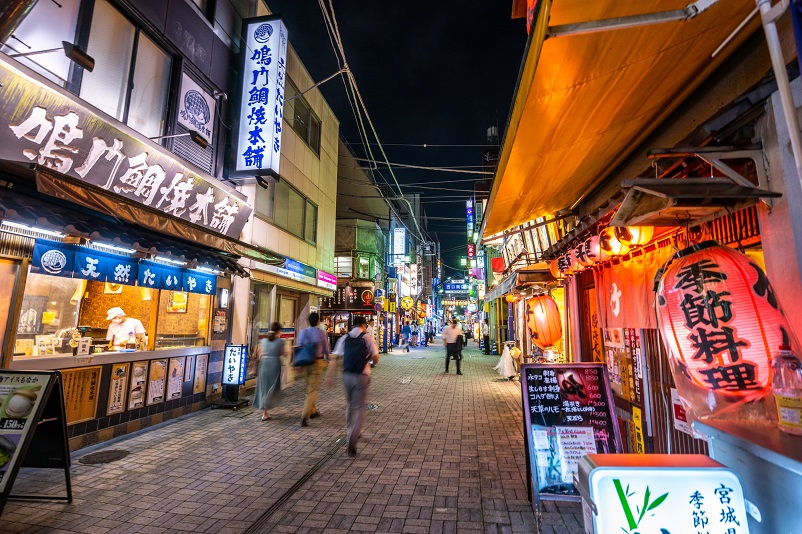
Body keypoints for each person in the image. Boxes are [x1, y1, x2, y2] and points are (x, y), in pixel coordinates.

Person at [328, 316, 378, 457]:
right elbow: (376, 356)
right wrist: (372, 362)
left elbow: (334, 357)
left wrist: (330, 376)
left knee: (350, 404)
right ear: (364, 325)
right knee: (359, 408)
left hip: (346, 375)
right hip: (361, 376)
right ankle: (352, 440)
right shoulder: (367, 338)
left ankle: (350, 431)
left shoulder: (344, 338)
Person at [295, 313, 330, 427]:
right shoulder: (321, 333)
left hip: (305, 362)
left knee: (308, 388)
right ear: (318, 321)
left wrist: (298, 364)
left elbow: (299, 347)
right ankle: (305, 415)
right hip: (317, 362)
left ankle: (313, 411)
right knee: (312, 389)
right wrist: (328, 359)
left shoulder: (303, 332)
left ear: (309, 321)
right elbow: (326, 347)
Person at [253, 322, 287, 421]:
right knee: (273, 387)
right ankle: (266, 407)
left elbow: (259, 354)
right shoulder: (280, 341)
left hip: (264, 364)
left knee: (264, 386)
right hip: (274, 364)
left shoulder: (263, 341)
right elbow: (284, 354)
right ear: (278, 331)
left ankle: (264, 412)